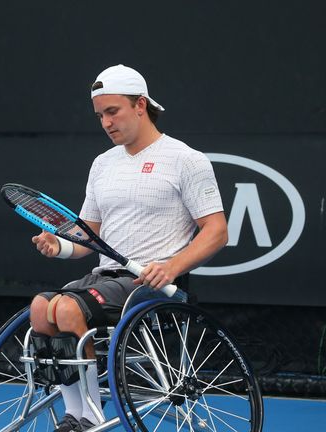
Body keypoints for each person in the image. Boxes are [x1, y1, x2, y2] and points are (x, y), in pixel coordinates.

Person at [29, 64, 228, 432]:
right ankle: (76, 416)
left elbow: (216, 231)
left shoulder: (187, 160)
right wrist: (58, 245)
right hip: (103, 279)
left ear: (140, 105)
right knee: (42, 308)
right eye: (100, 114)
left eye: (113, 111)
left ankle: (91, 417)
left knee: (69, 308)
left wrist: (172, 266)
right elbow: (87, 238)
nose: (106, 122)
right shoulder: (102, 164)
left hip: (149, 284)